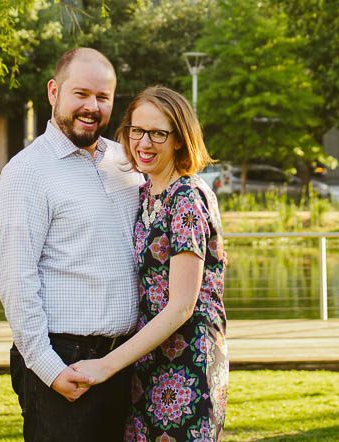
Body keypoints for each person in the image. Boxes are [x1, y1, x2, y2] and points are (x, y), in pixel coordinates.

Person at [0, 47, 144, 442]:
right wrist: (48, 367)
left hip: (127, 362)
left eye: (103, 97)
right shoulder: (26, 172)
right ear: (53, 92)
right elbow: (15, 280)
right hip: (65, 364)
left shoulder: (126, 162)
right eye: (81, 93)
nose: (91, 106)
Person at [70, 85, 228, 442]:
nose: (144, 142)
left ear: (178, 139)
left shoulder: (187, 197)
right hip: (146, 364)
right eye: (136, 130)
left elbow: (182, 306)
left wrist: (105, 366)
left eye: (158, 132)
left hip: (187, 367)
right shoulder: (146, 193)